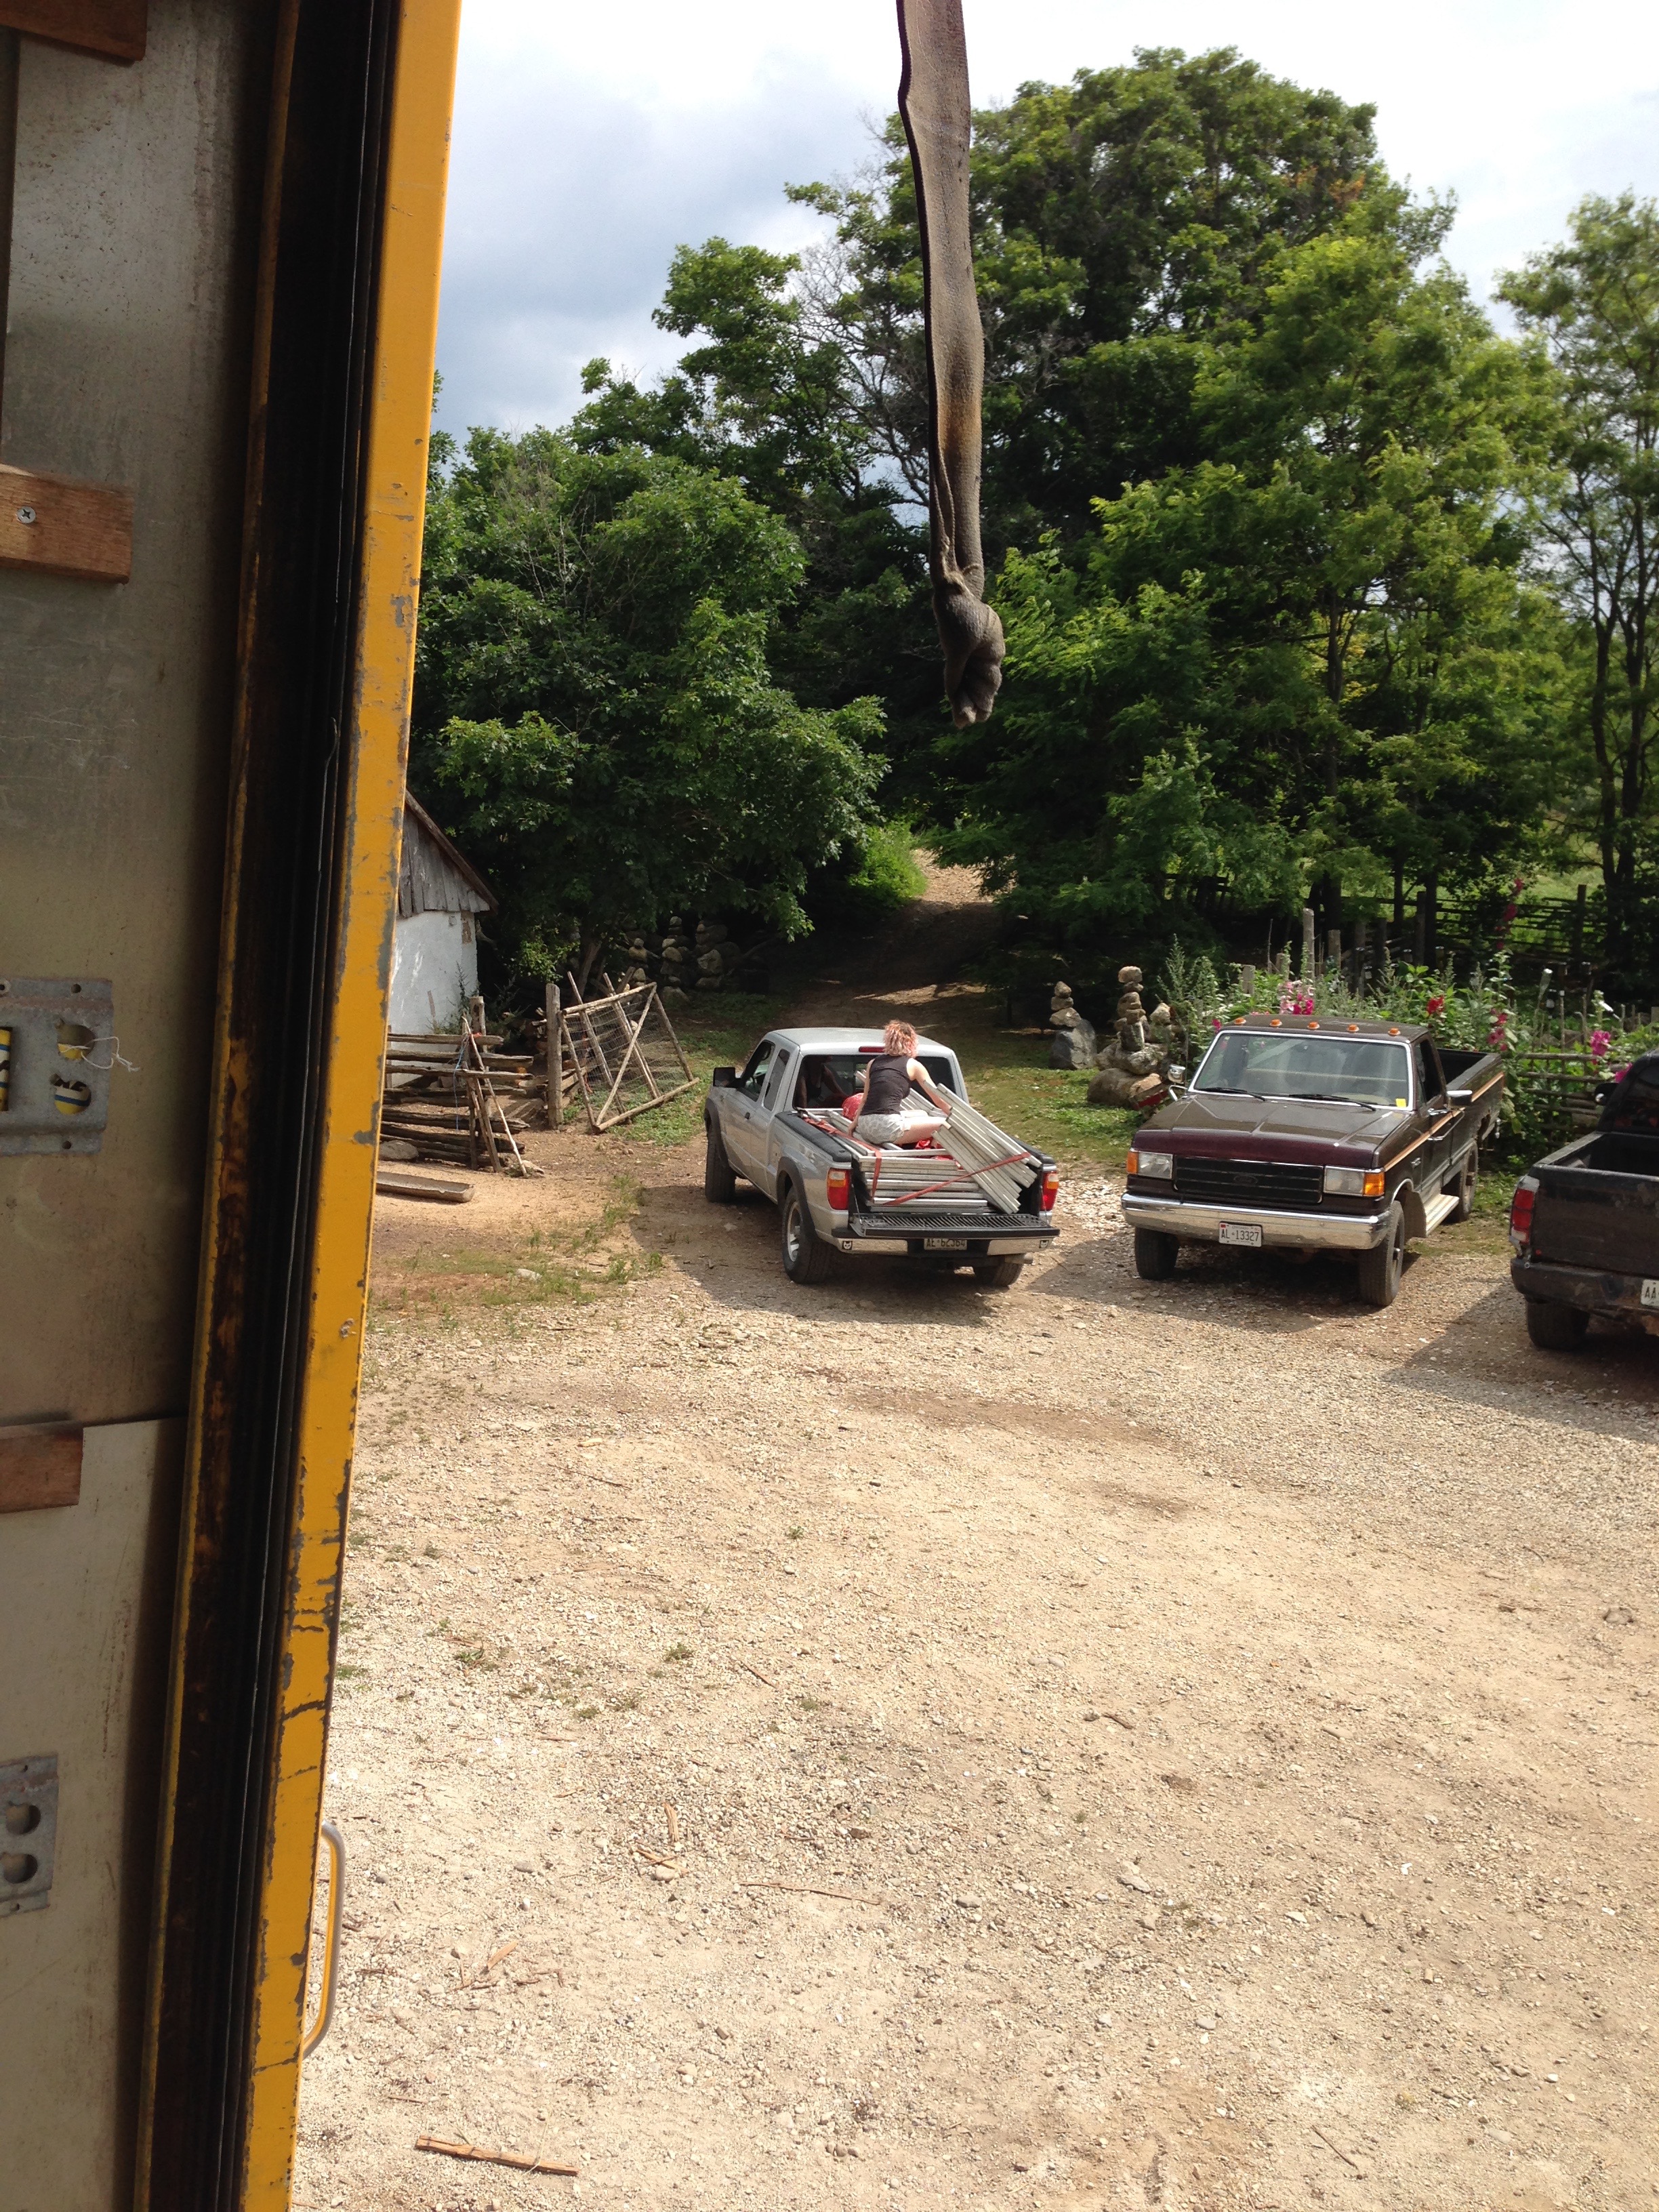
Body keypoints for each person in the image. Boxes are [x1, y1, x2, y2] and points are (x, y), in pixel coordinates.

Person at [853, 1021, 952, 1147]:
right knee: (944, 1124)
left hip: (865, 1126)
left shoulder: (873, 1063)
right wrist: (956, 1119)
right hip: (886, 1127)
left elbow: (865, 1099)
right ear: (911, 1043)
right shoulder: (913, 1065)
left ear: (888, 1041)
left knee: (921, 1114)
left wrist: (854, 1124)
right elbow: (939, 1101)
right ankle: (932, 1153)